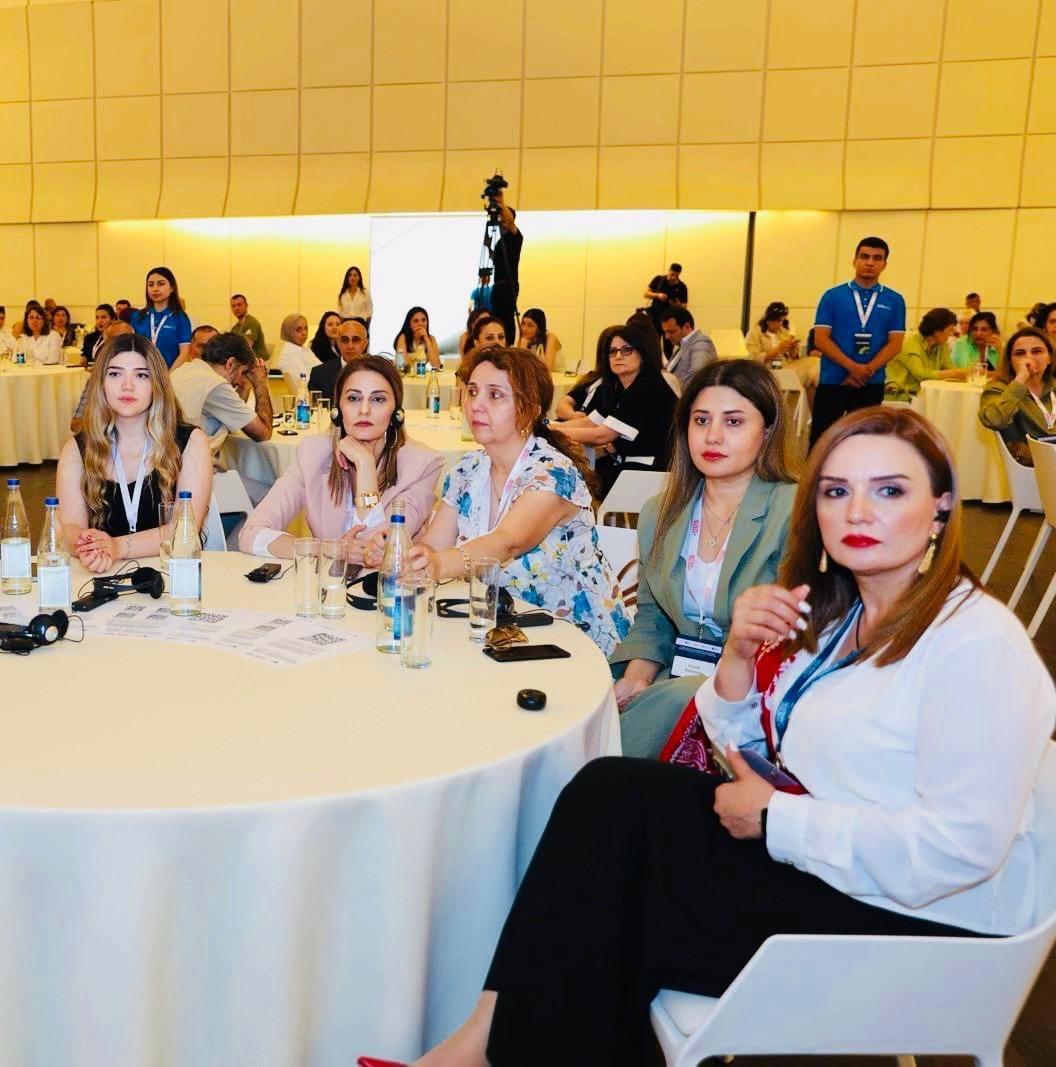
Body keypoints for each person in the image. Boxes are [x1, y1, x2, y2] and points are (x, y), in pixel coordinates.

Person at [410, 406, 1054, 1067]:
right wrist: (740, 658)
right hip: (835, 860)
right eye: (836, 491)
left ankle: (489, 1050)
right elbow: (748, 747)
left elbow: (961, 849)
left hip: (918, 919)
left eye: (889, 490)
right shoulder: (843, 613)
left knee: (617, 894)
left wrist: (778, 819)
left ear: (941, 506)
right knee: (612, 791)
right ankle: (485, 1041)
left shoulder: (975, 644)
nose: (858, 511)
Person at [384, 346, 629, 654]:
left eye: (495, 395)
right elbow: (435, 545)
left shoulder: (553, 473)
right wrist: (412, 555)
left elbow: (508, 542)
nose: (476, 405)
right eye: (472, 391)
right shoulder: (468, 469)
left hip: (569, 637)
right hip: (498, 630)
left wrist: (438, 564)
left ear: (530, 410)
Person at [610, 360, 799, 759]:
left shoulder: (794, 511)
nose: (713, 436)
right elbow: (653, 618)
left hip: (755, 690)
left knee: (651, 721)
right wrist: (637, 681)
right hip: (673, 678)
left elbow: (795, 637)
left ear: (767, 430)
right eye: (701, 420)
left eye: (733, 422)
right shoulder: (660, 512)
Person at [238, 357, 442, 560]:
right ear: (337, 410)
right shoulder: (313, 453)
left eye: (378, 399)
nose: (364, 410)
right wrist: (328, 550)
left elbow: (380, 553)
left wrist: (365, 465)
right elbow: (251, 534)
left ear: (396, 413)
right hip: (328, 578)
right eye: (353, 398)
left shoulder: (422, 465)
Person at [55, 333, 213, 572]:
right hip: (103, 574)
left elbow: (184, 530)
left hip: (173, 574)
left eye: (141, 375)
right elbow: (69, 526)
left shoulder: (191, 442)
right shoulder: (77, 449)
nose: (127, 386)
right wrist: (87, 546)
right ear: (101, 383)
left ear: (157, 384)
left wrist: (116, 547)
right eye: (115, 374)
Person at [555, 324, 677, 492]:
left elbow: (601, 435)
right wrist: (549, 426)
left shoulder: (647, 387)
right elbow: (590, 422)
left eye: (626, 350)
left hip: (653, 472)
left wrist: (551, 432)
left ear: (642, 354)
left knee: (575, 483)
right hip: (630, 465)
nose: (618, 356)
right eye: (612, 351)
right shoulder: (621, 387)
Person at [809, 236, 907, 445]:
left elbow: (895, 343)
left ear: (884, 264)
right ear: (854, 261)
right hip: (833, 380)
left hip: (872, 381)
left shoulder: (895, 300)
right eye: (864, 257)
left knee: (866, 443)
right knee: (822, 441)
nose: (870, 262)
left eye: (877, 258)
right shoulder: (832, 296)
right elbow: (821, 339)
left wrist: (866, 371)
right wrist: (853, 368)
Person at [170, 331, 274, 447]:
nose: (240, 381)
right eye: (243, 372)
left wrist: (244, 386)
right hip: (185, 455)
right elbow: (263, 433)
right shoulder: (215, 384)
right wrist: (260, 383)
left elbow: (233, 417)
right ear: (230, 364)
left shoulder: (185, 370)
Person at [979, 326, 1056, 465]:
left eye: (1037, 351)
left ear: (1050, 358)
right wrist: (1021, 379)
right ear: (1010, 361)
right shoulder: (999, 389)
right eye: (1020, 353)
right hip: (1031, 465)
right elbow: (994, 420)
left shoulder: (1053, 386)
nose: (1028, 358)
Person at [884, 307, 970, 400]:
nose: (951, 334)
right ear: (936, 330)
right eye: (949, 330)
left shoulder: (941, 345)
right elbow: (921, 375)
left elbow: (950, 368)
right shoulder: (909, 343)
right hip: (900, 397)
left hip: (923, 396)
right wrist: (953, 373)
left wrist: (962, 373)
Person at [485, 188, 524, 345]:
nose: (501, 221)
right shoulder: (500, 241)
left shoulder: (515, 237)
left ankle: (507, 343)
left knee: (506, 317)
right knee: (496, 317)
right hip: (498, 285)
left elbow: (510, 222)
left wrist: (501, 202)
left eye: (503, 218)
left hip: (508, 285)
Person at [744, 300, 813, 388]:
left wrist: (793, 349)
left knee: (814, 362)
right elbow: (753, 358)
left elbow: (792, 358)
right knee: (809, 374)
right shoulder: (755, 332)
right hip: (766, 369)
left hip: (785, 366)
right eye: (778, 321)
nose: (780, 324)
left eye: (782, 321)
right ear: (769, 320)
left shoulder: (783, 332)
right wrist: (779, 348)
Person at [138, 267, 194, 366]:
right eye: (151, 285)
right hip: (142, 371)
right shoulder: (138, 317)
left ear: (172, 288)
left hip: (171, 373)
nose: (155, 289)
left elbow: (184, 353)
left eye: (161, 284)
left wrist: (168, 375)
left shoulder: (180, 318)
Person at [308, 316, 368, 399]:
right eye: (344, 340)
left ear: (365, 344)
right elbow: (316, 406)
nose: (350, 346)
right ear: (338, 343)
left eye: (356, 340)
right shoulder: (319, 375)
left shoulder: (377, 373)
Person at [659, 307, 718, 385]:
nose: (667, 337)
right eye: (665, 332)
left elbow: (697, 375)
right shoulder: (682, 345)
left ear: (687, 326)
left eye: (671, 332)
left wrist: (672, 390)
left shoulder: (702, 343)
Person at [273, 314, 317, 396]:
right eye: (298, 330)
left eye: (306, 328)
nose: (304, 333)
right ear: (288, 331)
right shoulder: (289, 351)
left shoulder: (302, 347)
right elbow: (303, 381)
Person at [229, 293, 268, 360]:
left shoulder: (252, 322)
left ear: (246, 306)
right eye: (233, 306)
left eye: (239, 305)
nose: (236, 308)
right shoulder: (235, 328)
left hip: (259, 361)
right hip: (244, 361)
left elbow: (246, 347)